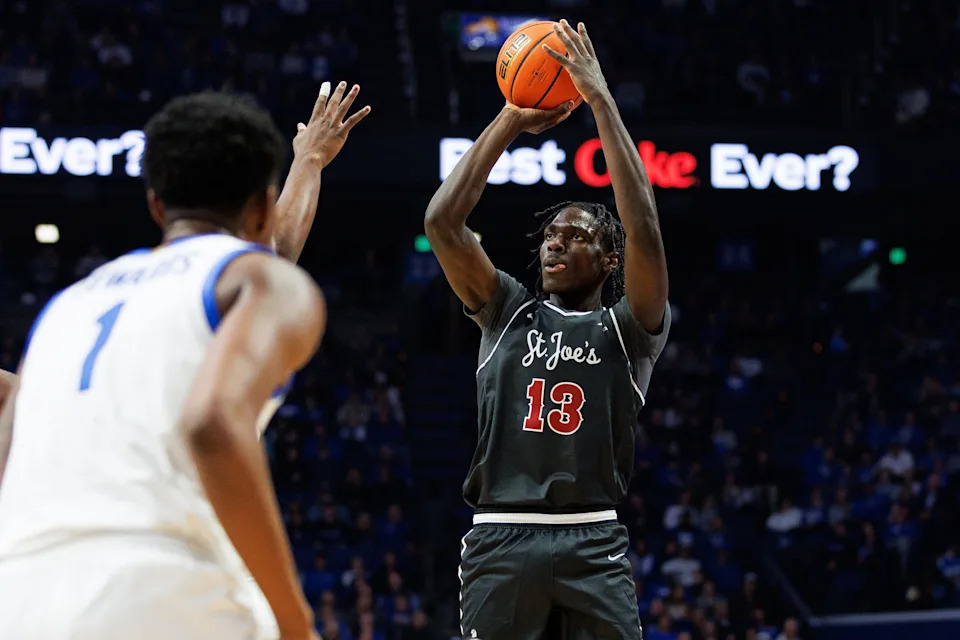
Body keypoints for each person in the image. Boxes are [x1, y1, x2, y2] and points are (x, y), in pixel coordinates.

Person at [0, 82, 370, 640]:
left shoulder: (66, 307)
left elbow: (8, 447)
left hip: (21, 597)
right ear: (264, 205)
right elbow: (212, 422)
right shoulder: (259, 283)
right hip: (156, 591)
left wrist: (309, 161)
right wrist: (294, 622)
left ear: (155, 203)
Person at [425, 20, 669, 640]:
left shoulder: (629, 329)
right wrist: (510, 119)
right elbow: (443, 223)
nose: (555, 245)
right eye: (550, 237)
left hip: (593, 536)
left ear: (609, 261)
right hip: (500, 533)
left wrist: (600, 100)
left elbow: (641, 224)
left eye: (577, 236)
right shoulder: (505, 311)